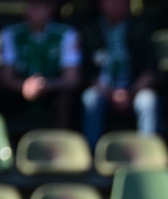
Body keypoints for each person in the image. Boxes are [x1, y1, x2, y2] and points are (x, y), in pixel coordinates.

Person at [79, 0, 159, 149]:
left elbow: (150, 70)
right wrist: (109, 93)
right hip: (103, 90)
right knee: (90, 98)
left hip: (135, 89)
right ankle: (91, 152)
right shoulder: (90, 31)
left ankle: (149, 151)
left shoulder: (141, 29)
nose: (119, 4)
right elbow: (87, 73)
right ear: (101, 4)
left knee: (148, 101)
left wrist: (130, 92)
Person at [0, 0, 81, 129]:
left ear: (49, 9)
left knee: (67, 99)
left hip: (52, 92)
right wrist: (24, 86)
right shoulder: (10, 33)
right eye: (30, 6)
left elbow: (72, 79)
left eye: (38, 6)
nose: (31, 11)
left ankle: (62, 139)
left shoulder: (67, 34)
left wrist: (47, 85)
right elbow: (6, 77)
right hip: (18, 91)